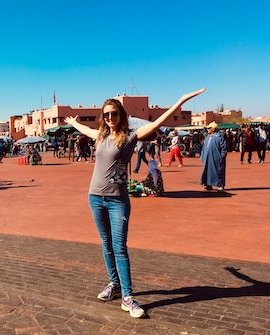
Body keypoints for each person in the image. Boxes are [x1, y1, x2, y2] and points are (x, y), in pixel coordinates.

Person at [65, 88, 205, 318]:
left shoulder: (130, 136)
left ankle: (127, 297)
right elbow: (85, 129)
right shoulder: (100, 136)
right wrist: (72, 122)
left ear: (121, 115)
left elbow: (157, 123)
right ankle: (114, 284)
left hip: (117, 200)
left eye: (114, 114)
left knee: (119, 247)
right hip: (95, 198)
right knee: (106, 244)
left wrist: (180, 101)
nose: (110, 118)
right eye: (106, 114)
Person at [200, 121, 227, 191]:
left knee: (218, 171)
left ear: (213, 129)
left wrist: (222, 157)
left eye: (209, 128)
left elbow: (224, 148)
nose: (207, 129)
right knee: (207, 171)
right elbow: (204, 147)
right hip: (207, 158)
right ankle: (208, 185)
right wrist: (202, 156)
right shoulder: (207, 137)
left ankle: (220, 185)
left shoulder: (220, 137)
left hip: (216, 158)